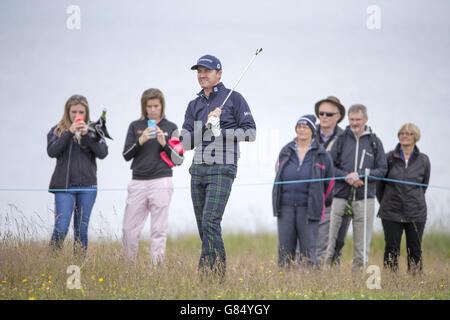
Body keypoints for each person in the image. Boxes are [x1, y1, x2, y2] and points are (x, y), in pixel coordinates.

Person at [181, 54, 256, 278]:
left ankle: (207, 275)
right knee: (204, 226)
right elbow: (184, 142)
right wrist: (205, 128)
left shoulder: (234, 98)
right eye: (199, 71)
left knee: (210, 221)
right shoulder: (193, 104)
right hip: (198, 168)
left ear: (219, 74)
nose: (202, 75)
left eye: (207, 71)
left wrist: (221, 131)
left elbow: (251, 132)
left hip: (223, 167)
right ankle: (217, 274)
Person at [122, 88, 184, 265]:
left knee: (158, 229)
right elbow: (126, 155)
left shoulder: (170, 127)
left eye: (156, 106)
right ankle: (128, 267)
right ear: (144, 107)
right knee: (129, 229)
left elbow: (178, 159)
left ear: (161, 106)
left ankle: (156, 268)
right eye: (149, 106)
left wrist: (164, 143)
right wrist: (140, 142)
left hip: (161, 180)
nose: (153, 109)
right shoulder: (135, 126)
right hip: (138, 181)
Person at [324, 104, 387, 273]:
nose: (354, 123)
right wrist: (346, 176)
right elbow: (330, 166)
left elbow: (382, 170)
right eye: (351, 119)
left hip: (364, 198)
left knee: (361, 246)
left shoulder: (374, 141)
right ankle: (329, 276)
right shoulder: (342, 139)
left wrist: (362, 177)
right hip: (341, 197)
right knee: (332, 242)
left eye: (358, 119)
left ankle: (357, 281)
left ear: (365, 119)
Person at [47, 94, 108, 256]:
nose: (77, 115)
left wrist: (87, 135)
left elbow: (102, 153)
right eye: (73, 112)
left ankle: (79, 265)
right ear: (67, 112)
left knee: (81, 230)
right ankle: (50, 262)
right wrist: (69, 132)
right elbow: (52, 151)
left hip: (88, 188)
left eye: (81, 111)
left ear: (86, 112)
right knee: (61, 227)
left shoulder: (95, 130)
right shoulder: (57, 131)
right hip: (64, 188)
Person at [273, 114, 335, 268]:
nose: (301, 130)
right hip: (285, 206)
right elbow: (278, 171)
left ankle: (310, 282)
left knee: (308, 250)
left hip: (309, 208)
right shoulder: (286, 150)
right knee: (285, 249)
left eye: (305, 127)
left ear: (312, 131)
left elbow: (330, 183)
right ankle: (283, 279)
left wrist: (319, 200)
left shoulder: (321, 154)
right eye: (299, 127)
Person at [376, 123, 430, 274]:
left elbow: (424, 185)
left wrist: (412, 200)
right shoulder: (388, 158)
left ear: (415, 137)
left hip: (416, 212)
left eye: (409, 133)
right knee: (391, 249)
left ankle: (414, 281)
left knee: (415, 249)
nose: (405, 136)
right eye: (402, 133)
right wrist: (387, 203)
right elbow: (379, 187)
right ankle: (391, 281)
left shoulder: (424, 160)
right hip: (391, 212)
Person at [313, 96, 345, 263]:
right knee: (310, 239)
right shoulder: (308, 132)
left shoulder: (346, 137)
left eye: (328, 114)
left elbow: (347, 168)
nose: (324, 117)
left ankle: (332, 276)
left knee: (337, 241)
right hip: (311, 195)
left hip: (337, 195)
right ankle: (310, 272)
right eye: (321, 113)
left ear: (338, 116)